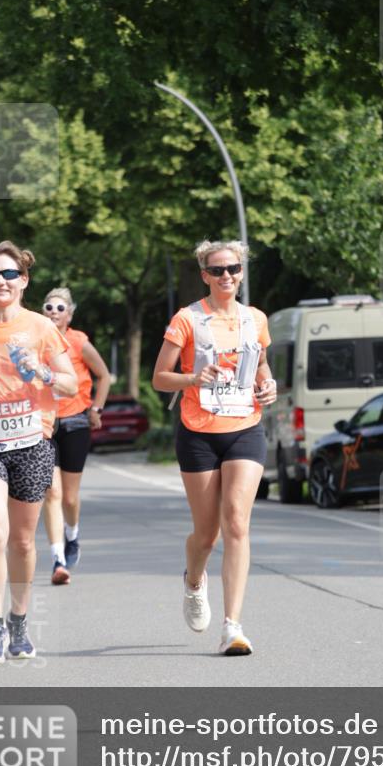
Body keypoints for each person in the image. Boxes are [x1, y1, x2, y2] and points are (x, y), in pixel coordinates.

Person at [0, 241, 77, 665]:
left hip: (31, 441)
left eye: (8, 275)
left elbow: (70, 384)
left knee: (23, 541)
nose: (0, 282)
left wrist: (41, 371)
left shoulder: (42, 328)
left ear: (23, 281)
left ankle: (19, 621)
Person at [152, 240, 277, 656]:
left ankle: (232, 626)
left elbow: (260, 365)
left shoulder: (255, 319)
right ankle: (193, 580)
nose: (227, 276)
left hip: (245, 426)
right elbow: (159, 378)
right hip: (199, 432)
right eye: (218, 270)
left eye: (234, 268)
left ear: (241, 272)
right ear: (205, 275)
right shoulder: (187, 319)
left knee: (237, 522)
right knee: (207, 535)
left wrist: (268, 384)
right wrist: (192, 379)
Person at [41, 287, 111, 585]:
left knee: (69, 496)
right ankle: (57, 558)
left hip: (74, 421)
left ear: (69, 315)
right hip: (42, 423)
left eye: (60, 308)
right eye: (49, 307)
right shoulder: (32, 339)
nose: (54, 312)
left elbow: (104, 375)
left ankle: (72, 535)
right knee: (51, 493)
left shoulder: (79, 341)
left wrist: (97, 408)